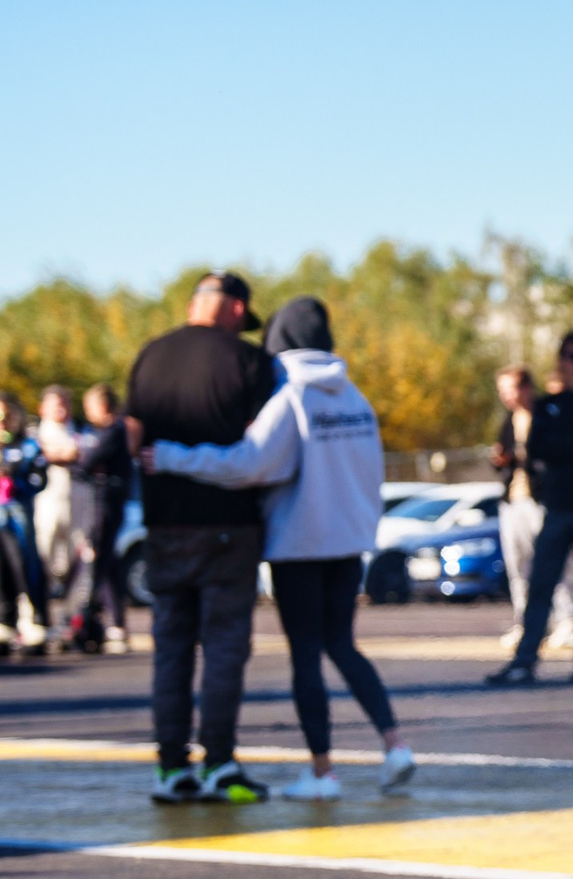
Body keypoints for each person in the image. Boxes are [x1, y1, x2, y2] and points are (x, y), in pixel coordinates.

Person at [142, 297, 414, 800]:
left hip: (298, 545)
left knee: (306, 657)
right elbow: (370, 471)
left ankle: (323, 771)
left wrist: (174, 458)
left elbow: (250, 463)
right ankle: (395, 744)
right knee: (344, 645)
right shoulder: (354, 396)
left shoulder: (289, 395)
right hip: (347, 544)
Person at [125, 270, 276, 804]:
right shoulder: (249, 361)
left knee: (170, 649)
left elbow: (132, 439)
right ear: (233, 307)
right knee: (225, 648)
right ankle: (219, 763)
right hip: (228, 527)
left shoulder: (150, 356)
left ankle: (171, 767)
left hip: (165, 527)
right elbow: (264, 451)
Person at [486, 334, 573, 685]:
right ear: (561, 360)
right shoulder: (548, 407)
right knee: (540, 581)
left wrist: (567, 449)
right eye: (571, 356)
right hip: (557, 506)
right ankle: (525, 658)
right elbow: (540, 449)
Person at [488, 365, 573, 655]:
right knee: (519, 566)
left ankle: (568, 622)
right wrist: (501, 460)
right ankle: (528, 623)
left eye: (510, 389)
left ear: (526, 388)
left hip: (542, 501)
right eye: (502, 391)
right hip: (514, 500)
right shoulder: (509, 420)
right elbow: (505, 456)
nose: (506, 397)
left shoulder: (545, 415)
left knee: (554, 562)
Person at [66, 385, 133, 653]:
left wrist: (75, 461)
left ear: (103, 406)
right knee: (108, 563)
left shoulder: (113, 431)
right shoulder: (106, 432)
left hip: (105, 505)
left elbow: (87, 462)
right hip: (103, 503)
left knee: (99, 560)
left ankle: (94, 618)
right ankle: (113, 620)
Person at [0, 396, 49, 658]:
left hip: (19, 518)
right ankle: (5, 624)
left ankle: (36, 623)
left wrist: (16, 479)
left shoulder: (28, 446)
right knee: (3, 571)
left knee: (25, 568)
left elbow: (40, 480)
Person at [32, 386, 83, 617]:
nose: (61, 409)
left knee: (75, 565)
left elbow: (80, 454)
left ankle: (69, 621)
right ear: (43, 408)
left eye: (64, 403)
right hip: (46, 504)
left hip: (74, 507)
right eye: (56, 404)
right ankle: (35, 618)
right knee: (42, 560)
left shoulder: (78, 431)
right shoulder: (35, 434)